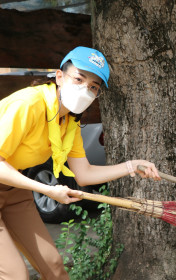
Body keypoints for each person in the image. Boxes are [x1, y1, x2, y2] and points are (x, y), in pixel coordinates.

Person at [0, 46, 160, 280]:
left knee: (54, 265)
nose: (85, 89)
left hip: (14, 191)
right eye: (78, 79)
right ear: (59, 77)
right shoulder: (29, 105)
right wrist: (47, 190)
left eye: (93, 87)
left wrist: (131, 166)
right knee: (15, 274)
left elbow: (83, 174)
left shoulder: (69, 121)